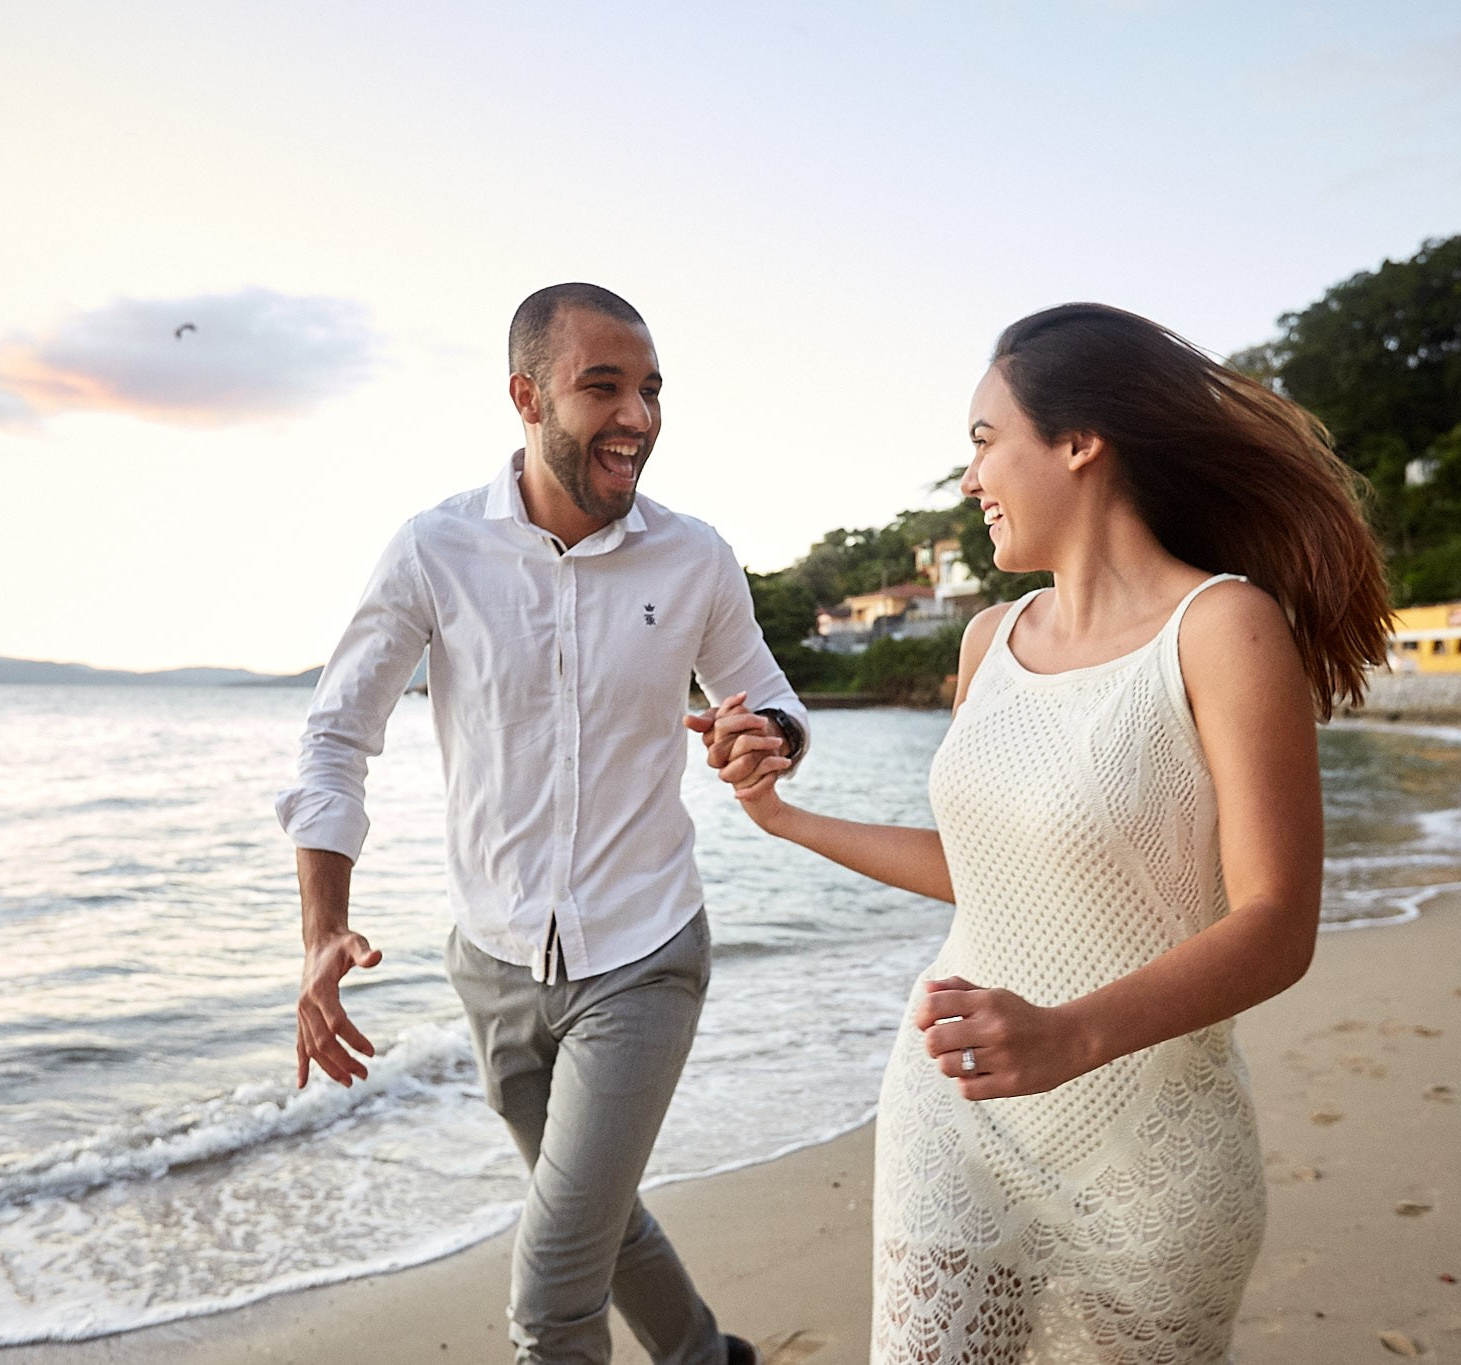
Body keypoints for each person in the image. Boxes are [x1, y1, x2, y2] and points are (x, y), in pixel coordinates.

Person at [707, 303, 1391, 1363]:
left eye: (984, 443)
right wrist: (782, 817)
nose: (971, 480)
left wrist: (1068, 1035)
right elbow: (989, 877)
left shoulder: (1222, 628)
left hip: (1151, 1150)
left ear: (1077, 443)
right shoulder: (989, 639)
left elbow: (1274, 924)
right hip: (955, 1105)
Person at [278, 283, 806, 1365]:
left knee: (552, 1293)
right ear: (525, 397)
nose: (638, 417)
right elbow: (336, 736)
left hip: (644, 953)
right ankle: (709, 1359)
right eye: (602, 387)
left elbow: (767, 694)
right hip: (494, 962)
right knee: (599, 1225)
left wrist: (770, 740)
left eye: (651, 390)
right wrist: (319, 927)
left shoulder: (694, 557)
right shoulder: (434, 552)